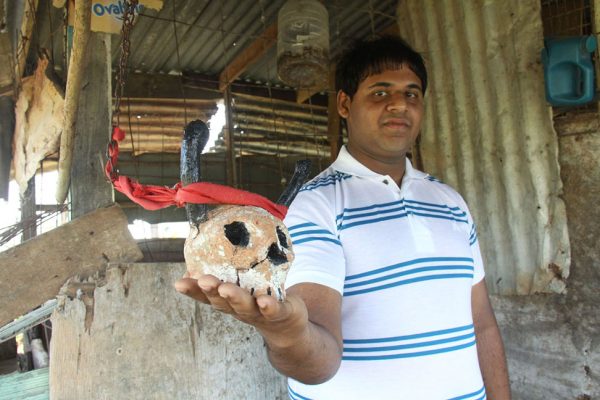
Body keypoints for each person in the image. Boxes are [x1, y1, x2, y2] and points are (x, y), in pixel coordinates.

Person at [175, 35, 511, 399]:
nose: (400, 104)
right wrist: (288, 334)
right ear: (345, 104)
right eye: (380, 93)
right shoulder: (317, 203)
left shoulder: (451, 202)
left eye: (412, 94)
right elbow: (319, 363)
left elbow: (484, 326)